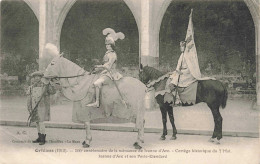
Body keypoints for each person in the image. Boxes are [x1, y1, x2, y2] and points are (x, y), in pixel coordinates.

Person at [86, 28, 125, 108]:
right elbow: (104, 64)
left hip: (110, 73)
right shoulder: (107, 53)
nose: (107, 46)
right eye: (106, 45)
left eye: (109, 45)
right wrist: (97, 68)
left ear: (112, 46)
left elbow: (109, 65)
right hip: (105, 72)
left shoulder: (113, 54)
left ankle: (97, 103)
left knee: (97, 83)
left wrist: (99, 66)